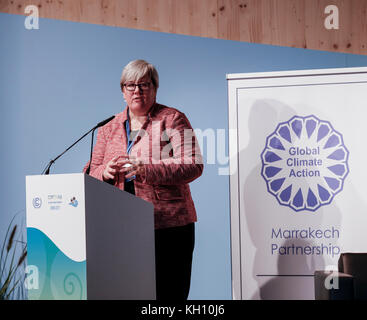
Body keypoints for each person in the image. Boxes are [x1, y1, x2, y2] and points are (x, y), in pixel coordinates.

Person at [84, 59, 203, 300]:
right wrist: (104, 171)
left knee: (169, 296)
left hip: (169, 226)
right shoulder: (108, 127)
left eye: (144, 85)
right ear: (122, 91)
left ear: (155, 88)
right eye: (131, 85)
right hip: (121, 227)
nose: (137, 91)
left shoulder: (174, 118)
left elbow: (193, 164)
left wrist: (146, 168)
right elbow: (91, 169)